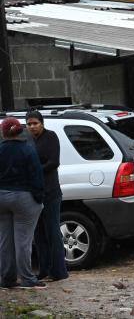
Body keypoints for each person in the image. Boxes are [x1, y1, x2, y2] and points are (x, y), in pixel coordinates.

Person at [0, 117, 45, 289]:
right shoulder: (28, 149)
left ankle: (7, 279)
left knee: (5, 241)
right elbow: (37, 176)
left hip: (1, 198)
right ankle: (27, 279)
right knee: (23, 241)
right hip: (24, 197)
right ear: (20, 130)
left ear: (3, 133)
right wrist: (39, 199)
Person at [27, 111, 68, 283]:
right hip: (34, 193)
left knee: (52, 232)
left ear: (42, 123)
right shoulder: (28, 140)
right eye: (29, 124)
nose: (32, 127)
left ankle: (59, 271)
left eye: (35, 123)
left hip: (50, 192)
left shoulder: (50, 137)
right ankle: (43, 270)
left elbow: (53, 162)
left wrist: (35, 170)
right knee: (39, 234)